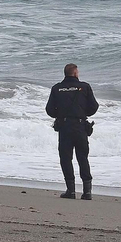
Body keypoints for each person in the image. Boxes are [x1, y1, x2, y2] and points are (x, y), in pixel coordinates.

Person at [45, 63, 99, 200]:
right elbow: (94, 107)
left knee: (65, 159)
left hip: (64, 127)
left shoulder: (57, 88)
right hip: (80, 127)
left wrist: (60, 114)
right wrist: (82, 112)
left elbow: (49, 110)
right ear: (75, 73)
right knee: (83, 158)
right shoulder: (85, 87)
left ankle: (71, 191)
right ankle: (87, 192)